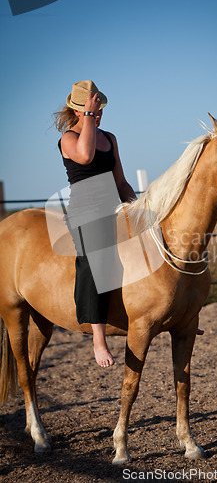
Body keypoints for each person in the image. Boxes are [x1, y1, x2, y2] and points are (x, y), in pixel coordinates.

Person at [54, 80, 136, 368]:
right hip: (85, 213)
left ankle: (176, 312)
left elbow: (121, 181)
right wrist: (87, 118)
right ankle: (98, 338)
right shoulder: (68, 138)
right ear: (78, 110)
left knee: (152, 243)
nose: (98, 113)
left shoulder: (109, 138)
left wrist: (137, 208)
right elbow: (86, 156)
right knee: (95, 260)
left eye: (99, 109)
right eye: (92, 109)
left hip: (114, 207)